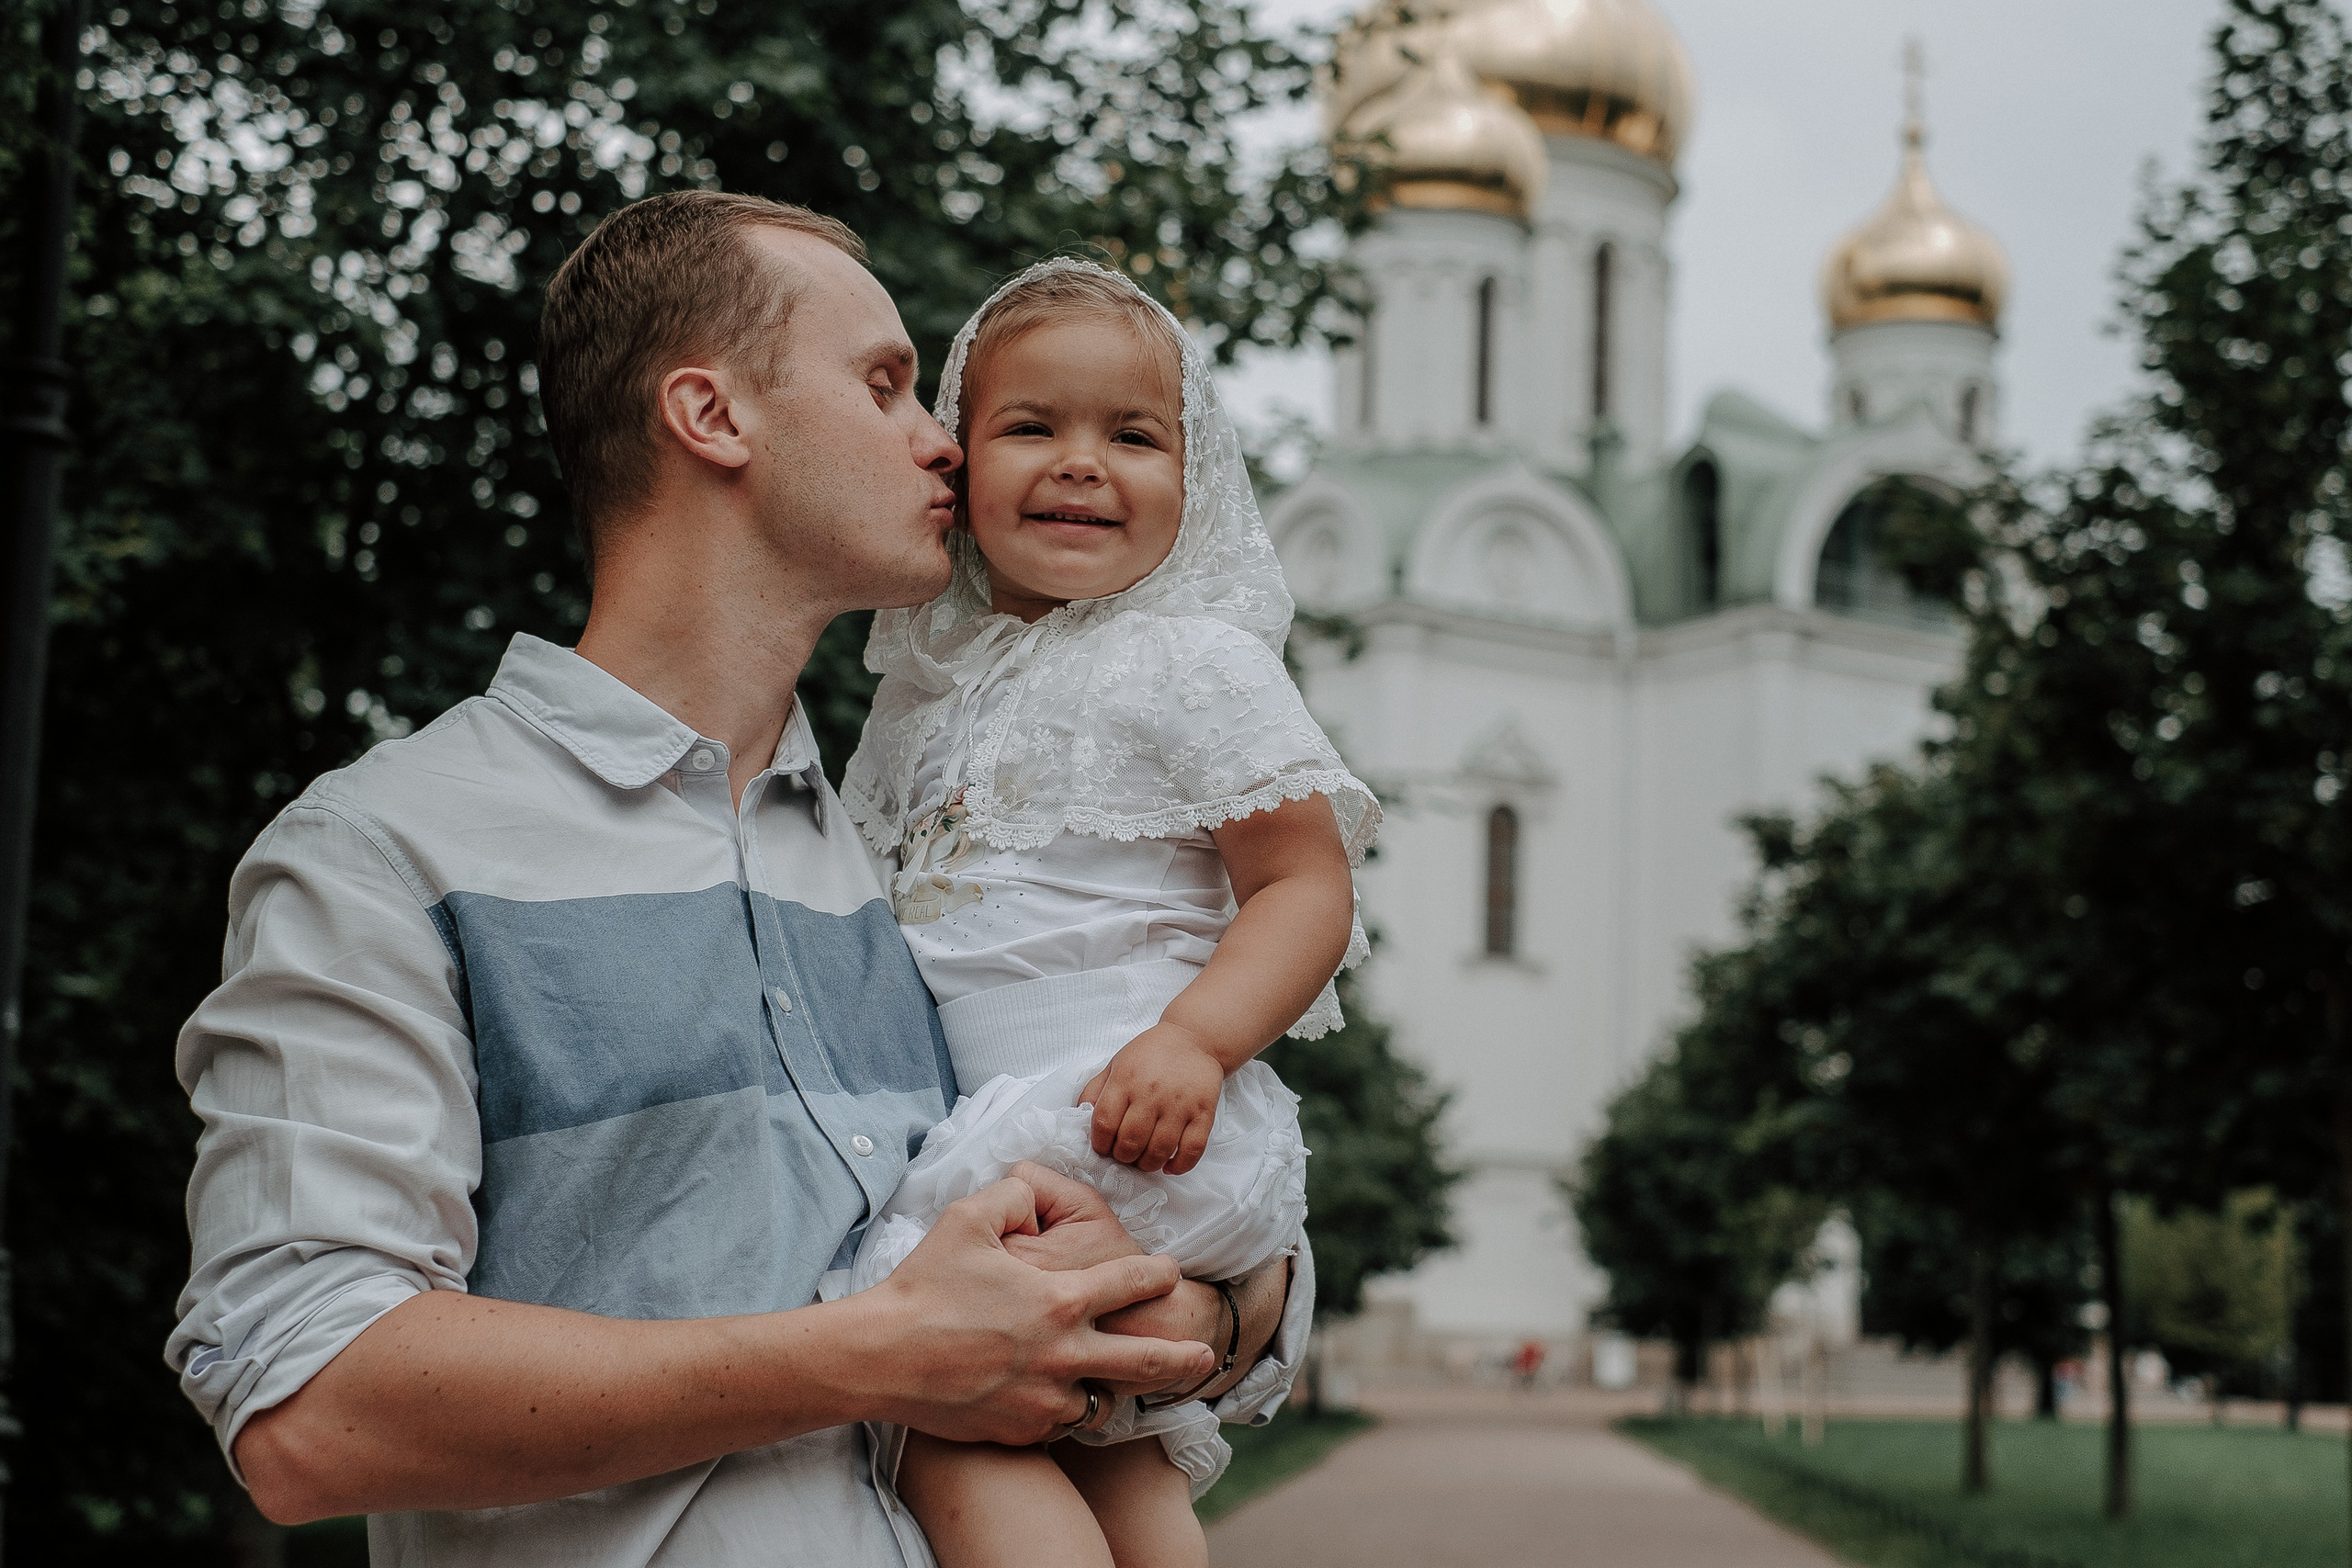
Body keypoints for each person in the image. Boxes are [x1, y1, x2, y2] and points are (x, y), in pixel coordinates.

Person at [167, 194, 1311, 1568]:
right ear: (713, 418)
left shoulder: (923, 859)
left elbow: (1174, 1229)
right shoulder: (390, 850)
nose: (943, 435)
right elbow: (306, 1404)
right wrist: (876, 1355)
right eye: (885, 385)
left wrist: (1206, 1316)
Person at [835, 260, 1377, 1568]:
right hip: (1005, 1111)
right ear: (957, 464)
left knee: (946, 1400)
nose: (1083, 464)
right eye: (1033, 428)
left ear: (1196, 489)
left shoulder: (1190, 660)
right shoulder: (916, 697)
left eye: (1134, 437)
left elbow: (1306, 882)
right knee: (1112, 1446)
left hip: (1125, 1108)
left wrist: (1199, 1041)